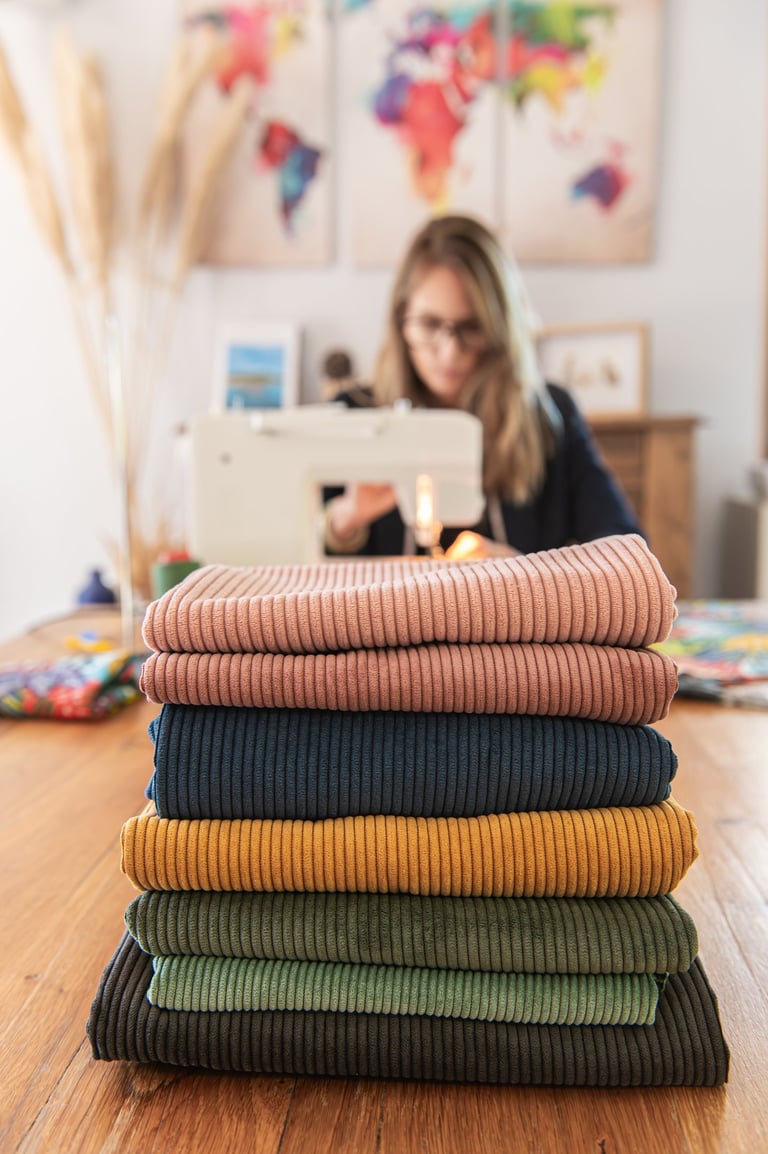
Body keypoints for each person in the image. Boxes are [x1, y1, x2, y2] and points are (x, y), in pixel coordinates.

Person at [324, 213, 641, 558]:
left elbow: (623, 546)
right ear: (401, 319)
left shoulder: (550, 415)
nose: (450, 351)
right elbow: (296, 569)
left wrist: (525, 572)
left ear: (501, 328)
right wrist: (344, 522)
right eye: (430, 325)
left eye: (471, 327)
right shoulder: (354, 415)